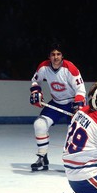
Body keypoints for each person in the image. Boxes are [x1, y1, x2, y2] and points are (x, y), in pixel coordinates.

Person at [29, 42, 86, 171]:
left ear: (62, 56)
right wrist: (36, 91)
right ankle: (42, 157)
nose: (56, 57)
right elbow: (35, 80)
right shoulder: (43, 67)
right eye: (53, 54)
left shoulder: (70, 68)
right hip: (56, 102)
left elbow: (81, 89)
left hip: (73, 103)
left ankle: (77, 161)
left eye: (58, 54)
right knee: (40, 124)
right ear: (49, 56)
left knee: (75, 132)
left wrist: (78, 105)